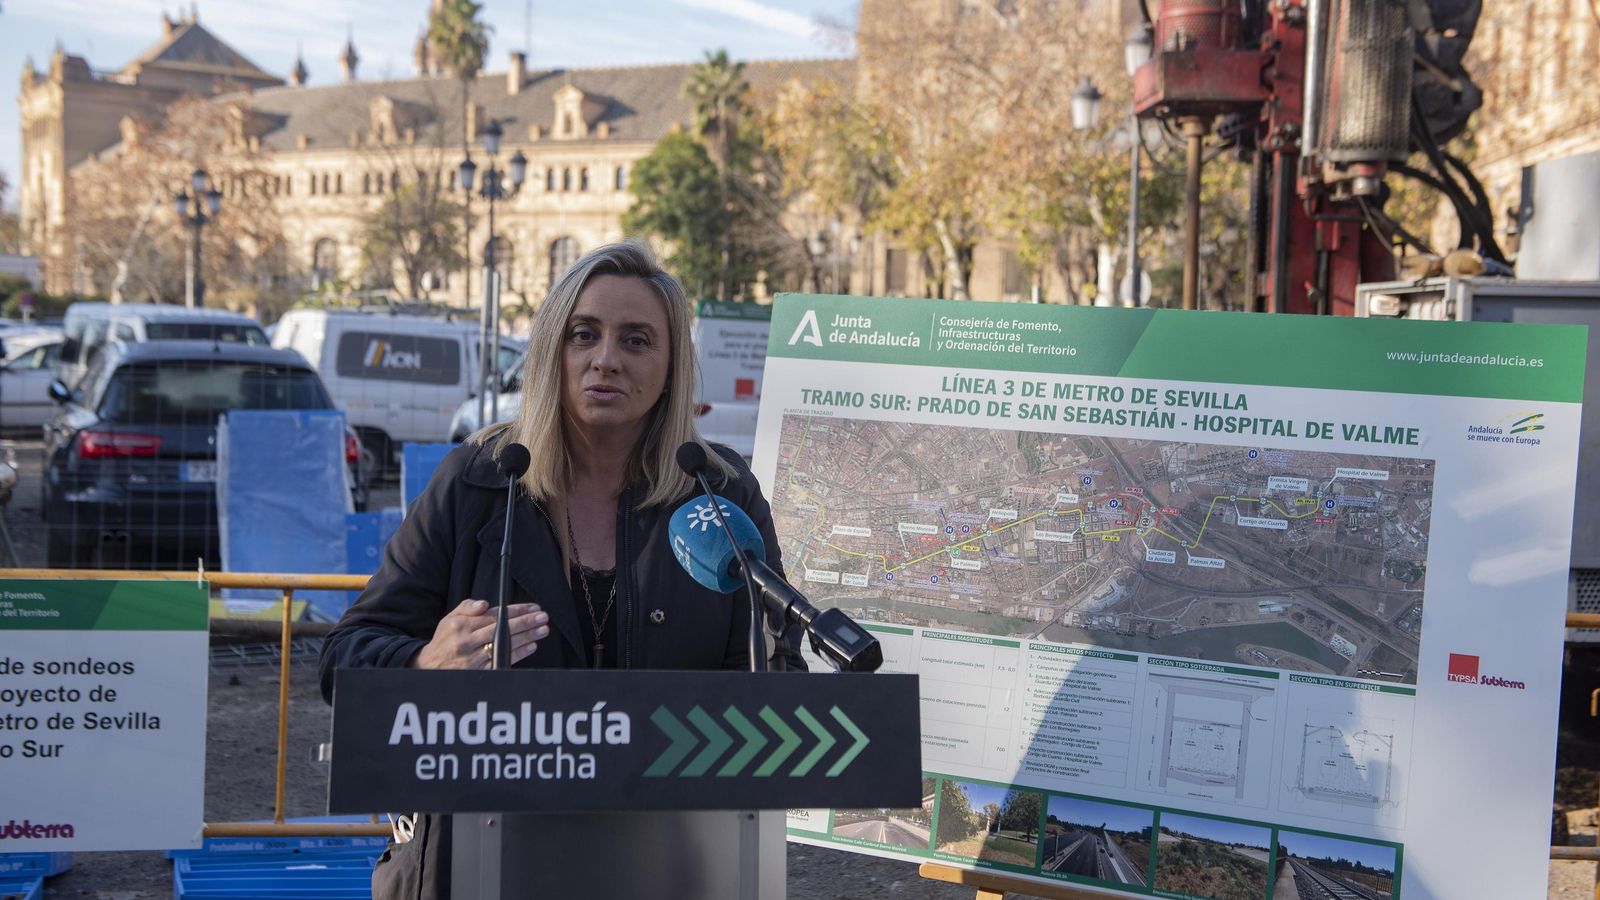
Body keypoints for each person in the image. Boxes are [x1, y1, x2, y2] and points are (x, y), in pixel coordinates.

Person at [318, 241, 804, 899]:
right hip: (479, 860)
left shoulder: (717, 491)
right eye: (585, 335)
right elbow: (345, 655)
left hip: (673, 863)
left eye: (636, 340)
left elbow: (778, 678)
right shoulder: (478, 480)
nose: (606, 359)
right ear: (553, 348)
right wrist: (423, 666)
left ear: (670, 367)